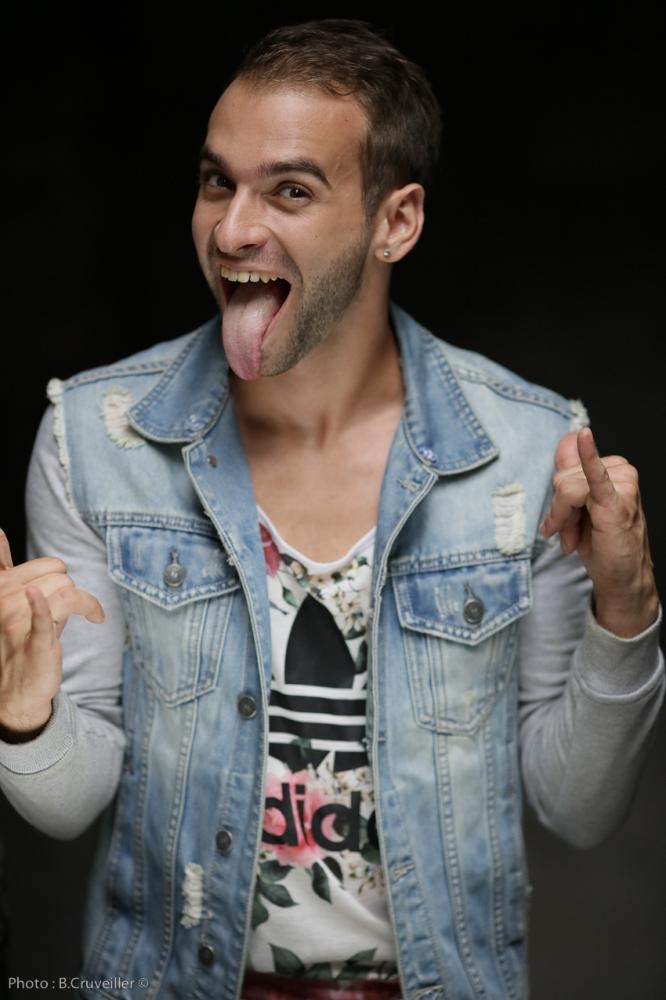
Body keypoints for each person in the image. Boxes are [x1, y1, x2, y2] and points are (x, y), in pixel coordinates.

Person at [0, 17, 663, 1000]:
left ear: (397, 222)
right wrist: (22, 712)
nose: (232, 230)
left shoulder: (530, 452)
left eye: (291, 191)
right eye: (218, 181)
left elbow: (578, 804)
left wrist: (627, 611)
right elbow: (69, 800)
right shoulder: (97, 440)